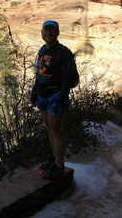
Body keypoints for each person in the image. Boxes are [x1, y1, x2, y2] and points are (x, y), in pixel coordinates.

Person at [31, 20, 79, 179]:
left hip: (55, 97)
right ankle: (54, 159)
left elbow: (72, 78)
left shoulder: (63, 52)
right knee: (49, 129)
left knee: (57, 131)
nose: (49, 34)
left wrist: (61, 96)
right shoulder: (43, 49)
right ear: (41, 33)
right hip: (42, 95)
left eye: (52, 31)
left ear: (57, 33)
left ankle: (59, 165)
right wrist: (34, 91)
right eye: (46, 31)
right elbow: (39, 72)